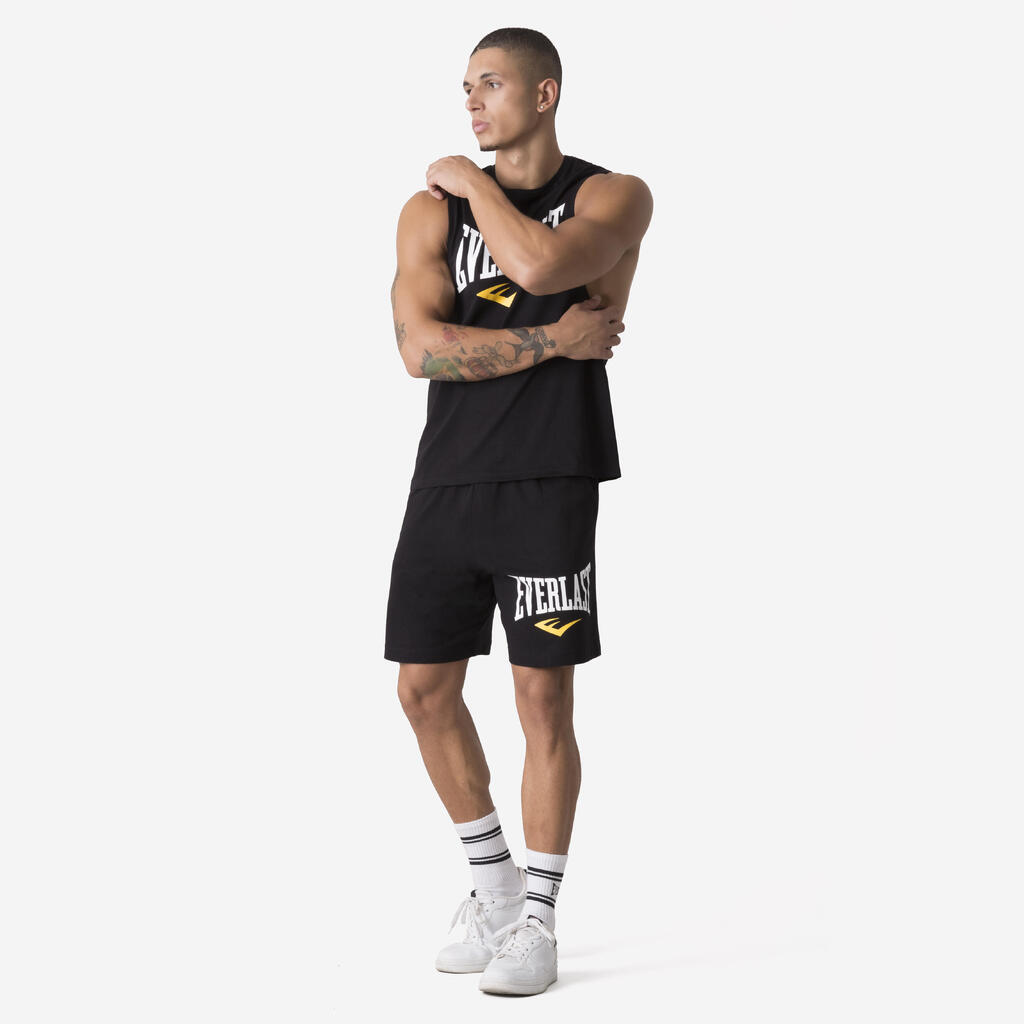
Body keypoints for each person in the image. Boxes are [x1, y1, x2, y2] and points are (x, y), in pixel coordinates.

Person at [384, 27, 653, 996]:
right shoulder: (427, 214)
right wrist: (551, 343)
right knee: (422, 691)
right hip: (447, 475)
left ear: (545, 94)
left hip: (550, 473)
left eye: (490, 84)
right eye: (465, 88)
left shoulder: (612, 195)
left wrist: (474, 180)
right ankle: (494, 886)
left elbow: (541, 268)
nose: (471, 102)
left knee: (542, 699)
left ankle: (538, 919)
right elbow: (419, 351)